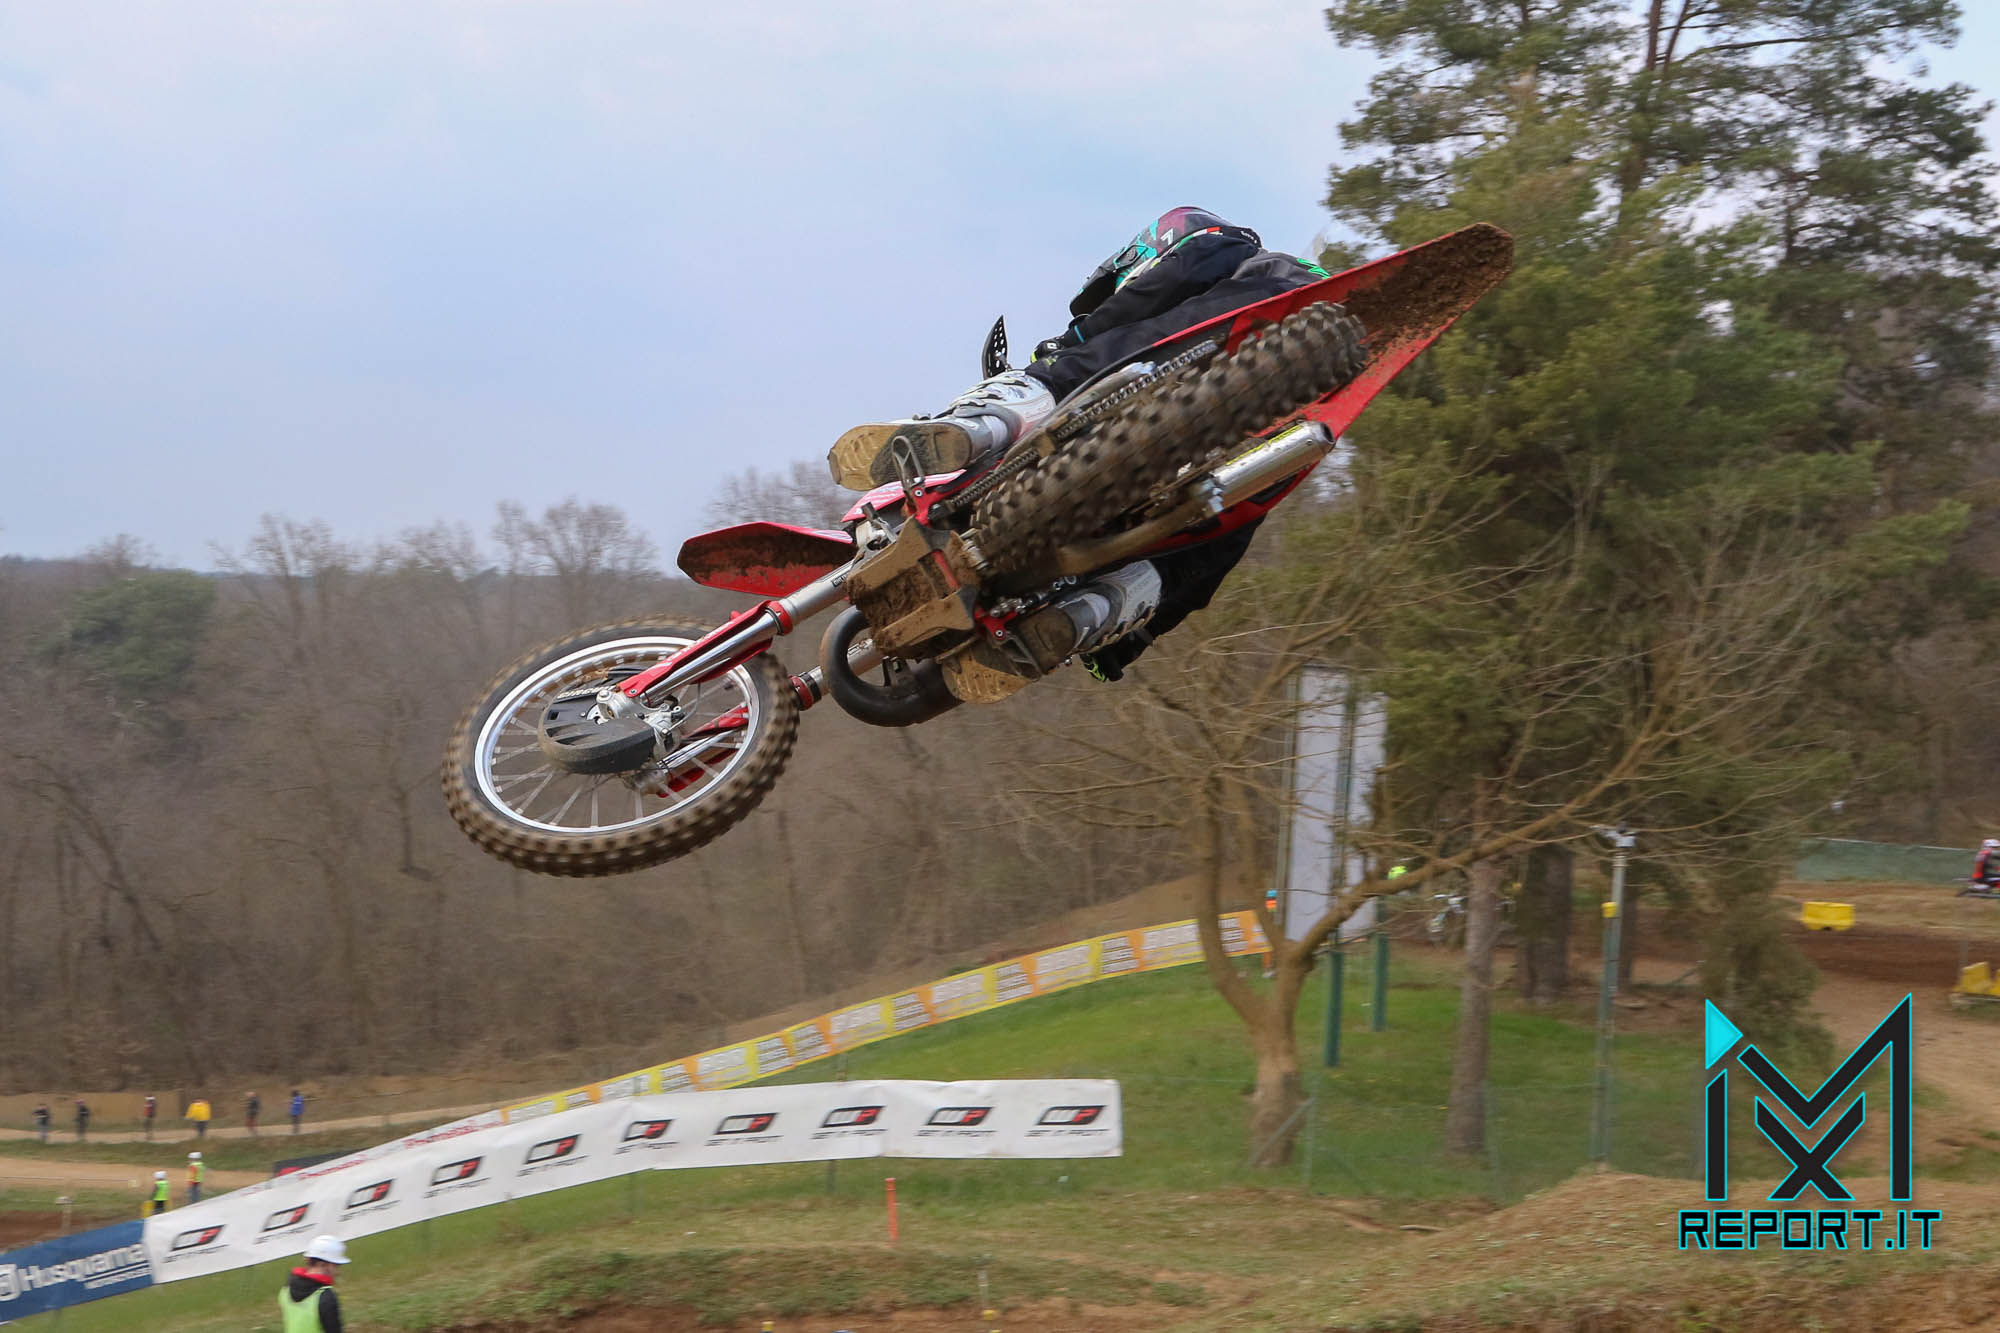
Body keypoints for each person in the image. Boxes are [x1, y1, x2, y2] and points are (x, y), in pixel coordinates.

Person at [827, 206, 1334, 682]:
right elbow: (1210, 570)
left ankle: (980, 423)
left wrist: (1070, 342)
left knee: (1100, 358)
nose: (1112, 300)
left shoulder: (1225, 247)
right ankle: (1096, 615)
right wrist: (1130, 645)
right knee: (1224, 525)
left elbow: (1151, 298)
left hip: (1270, 322)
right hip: (1296, 413)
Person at [279, 1234, 351, 1333]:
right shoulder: (326, 1297)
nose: (337, 1272)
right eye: (336, 1266)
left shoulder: (286, 1289)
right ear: (323, 1264)